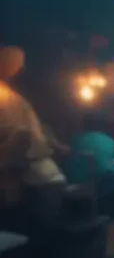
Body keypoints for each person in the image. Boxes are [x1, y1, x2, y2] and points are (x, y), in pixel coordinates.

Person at [0, 46, 66, 226]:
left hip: (31, 180)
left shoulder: (10, 98)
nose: (22, 71)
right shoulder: (11, 98)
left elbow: (26, 134)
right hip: (38, 177)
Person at [63, 111, 114, 189]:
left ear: (84, 124)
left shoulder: (76, 139)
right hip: (104, 183)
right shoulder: (111, 141)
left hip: (79, 182)